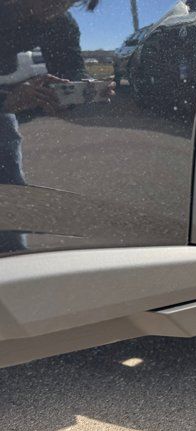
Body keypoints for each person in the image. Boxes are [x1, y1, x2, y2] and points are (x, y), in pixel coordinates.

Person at [0, 0, 101, 252]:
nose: (56, 7)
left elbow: (70, 68)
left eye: (69, 1)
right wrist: (6, 99)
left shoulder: (60, 23)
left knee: (7, 166)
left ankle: (13, 257)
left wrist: (83, 89)